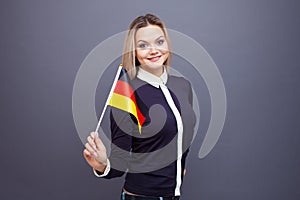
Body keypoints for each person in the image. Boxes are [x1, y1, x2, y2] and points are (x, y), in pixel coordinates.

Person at [83, 13, 196, 200]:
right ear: (133, 51)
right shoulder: (127, 92)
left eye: (159, 42)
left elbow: (182, 134)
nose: (154, 50)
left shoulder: (182, 86)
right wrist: (102, 165)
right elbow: (120, 161)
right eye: (143, 45)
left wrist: (178, 168)